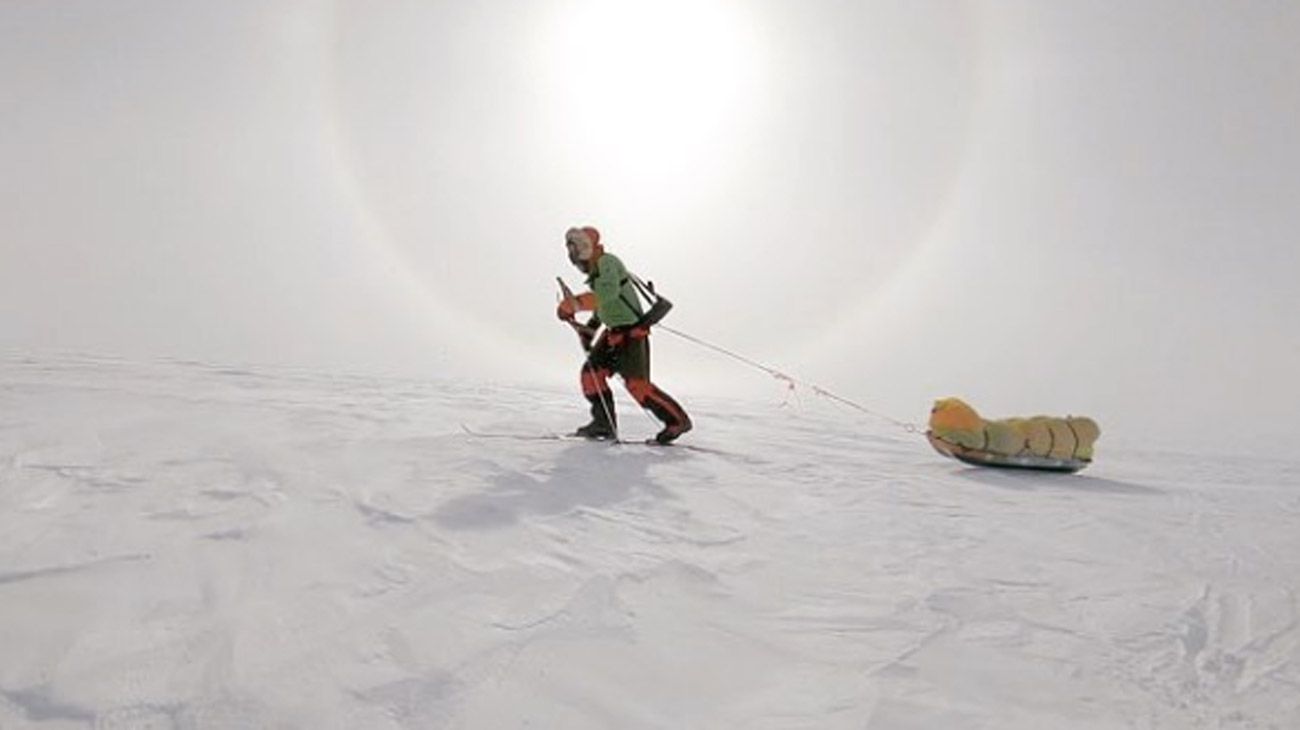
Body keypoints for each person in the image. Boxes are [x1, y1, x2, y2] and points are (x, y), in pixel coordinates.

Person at [556, 226, 692, 444]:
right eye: (570, 248)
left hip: (631, 334)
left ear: (586, 247)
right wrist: (589, 329)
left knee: (638, 385)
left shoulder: (607, 262)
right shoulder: (595, 273)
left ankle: (677, 421)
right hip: (612, 334)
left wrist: (573, 304)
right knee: (591, 376)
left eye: (575, 248)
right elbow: (605, 307)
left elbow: (607, 294)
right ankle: (603, 424)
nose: (572, 254)